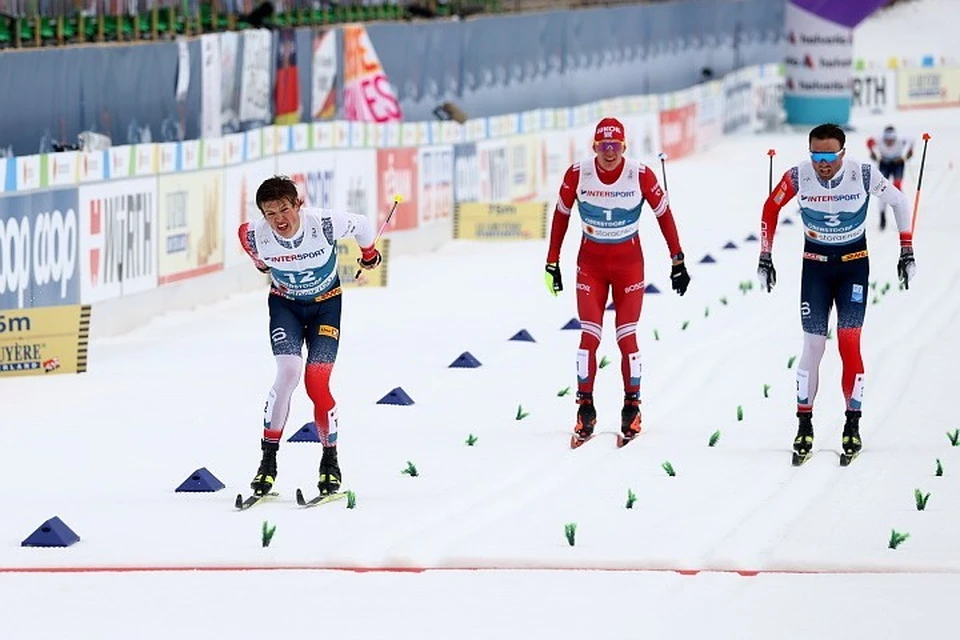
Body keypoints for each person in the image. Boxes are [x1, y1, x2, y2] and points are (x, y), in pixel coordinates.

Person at [758, 123, 917, 465]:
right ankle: (804, 425)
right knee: (813, 347)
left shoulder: (862, 173)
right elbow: (770, 208)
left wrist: (906, 251)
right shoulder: (799, 176)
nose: (822, 163)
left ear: (842, 153)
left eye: (829, 155)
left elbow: (900, 202)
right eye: (816, 155)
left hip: (853, 267)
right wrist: (765, 256)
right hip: (815, 268)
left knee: (848, 343)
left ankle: (852, 425)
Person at [544, 117, 690, 447]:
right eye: (602, 146)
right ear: (594, 147)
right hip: (590, 268)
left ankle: (632, 408)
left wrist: (677, 259)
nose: (609, 153)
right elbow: (561, 216)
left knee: (626, 337)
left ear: (625, 147)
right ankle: (585, 408)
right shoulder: (577, 173)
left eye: (616, 146)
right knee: (589, 337)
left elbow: (664, 215)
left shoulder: (640, 174)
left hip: (629, 268)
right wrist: (552, 261)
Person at [238, 175, 383, 496]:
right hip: (285, 307)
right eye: (270, 213)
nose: (279, 220)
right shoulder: (251, 235)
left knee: (316, 382)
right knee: (288, 373)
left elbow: (362, 224)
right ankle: (267, 463)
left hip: (325, 308)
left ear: (298, 205)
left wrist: (369, 254)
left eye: (285, 210)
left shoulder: (324, 224)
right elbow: (260, 264)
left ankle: (329, 462)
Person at [866, 125, 914, 230]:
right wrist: (872, 152)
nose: (889, 143)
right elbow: (869, 142)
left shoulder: (901, 140)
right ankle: (882, 216)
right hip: (884, 163)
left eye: (891, 140)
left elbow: (912, 140)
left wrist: (910, 152)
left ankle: (902, 215)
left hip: (898, 163)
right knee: (881, 189)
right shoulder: (878, 139)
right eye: (887, 140)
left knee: (897, 188)